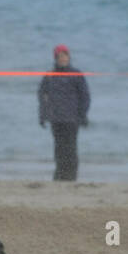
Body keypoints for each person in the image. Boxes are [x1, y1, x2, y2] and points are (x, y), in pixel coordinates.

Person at [37, 44, 90, 181]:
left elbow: (85, 96)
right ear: (56, 58)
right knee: (59, 149)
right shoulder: (49, 76)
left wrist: (83, 115)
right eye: (60, 56)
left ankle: (71, 177)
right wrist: (42, 116)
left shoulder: (76, 74)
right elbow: (42, 96)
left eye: (65, 56)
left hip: (72, 119)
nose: (63, 59)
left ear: (69, 57)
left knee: (71, 149)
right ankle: (60, 175)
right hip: (56, 119)